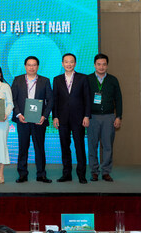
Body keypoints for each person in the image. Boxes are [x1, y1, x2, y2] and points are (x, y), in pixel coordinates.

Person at [11, 56, 53, 183]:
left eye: (34, 65)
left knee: (39, 148)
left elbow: (50, 100)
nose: (31, 67)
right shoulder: (17, 80)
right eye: (29, 65)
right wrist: (18, 114)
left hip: (38, 120)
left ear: (38, 67)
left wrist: (44, 116)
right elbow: (13, 99)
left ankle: (41, 174)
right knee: (23, 147)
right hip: (22, 119)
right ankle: (22, 174)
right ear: (25, 66)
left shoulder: (45, 81)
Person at [53, 53, 92, 184]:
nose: (69, 64)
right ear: (62, 64)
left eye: (71, 62)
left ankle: (81, 175)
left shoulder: (83, 78)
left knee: (79, 146)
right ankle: (66, 174)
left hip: (79, 118)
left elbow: (87, 98)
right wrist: (55, 117)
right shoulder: (57, 79)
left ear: (75, 63)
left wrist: (87, 116)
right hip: (62, 119)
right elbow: (55, 100)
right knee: (65, 147)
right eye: (66, 62)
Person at [87, 53, 123, 182]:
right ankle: (94, 172)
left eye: (104, 64)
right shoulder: (88, 79)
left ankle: (106, 172)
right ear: (94, 65)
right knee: (92, 146)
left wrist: (118, 117)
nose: (101, 67)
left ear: (107, 66)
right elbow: (83, 99)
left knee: (108, 146)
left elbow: (118, 99)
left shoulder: (113, 80)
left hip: (109, 117)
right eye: (99, 64)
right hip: (92, 117)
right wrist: (85, 116)